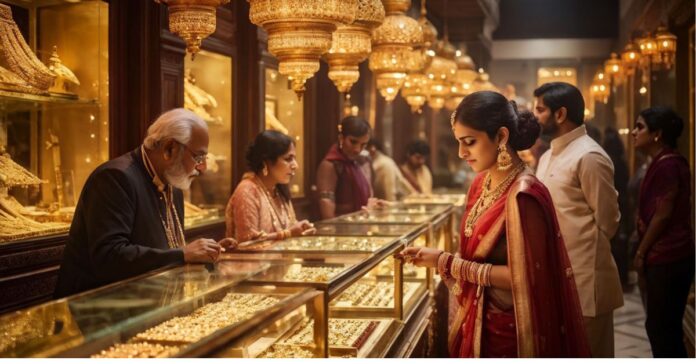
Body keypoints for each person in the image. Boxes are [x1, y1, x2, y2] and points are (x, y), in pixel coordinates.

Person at [400, 91, 590, 358]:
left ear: (501, 137)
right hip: (477, 320)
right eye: (458, 142)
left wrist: (446, 262)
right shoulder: (481, 183)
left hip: (507, 331)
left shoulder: (524, 194)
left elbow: (523, 278)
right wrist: (439, 259)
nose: (461, 152)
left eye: (469, 142)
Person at [55, 108, 237, 298]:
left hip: (146, 303)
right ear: (169, 149)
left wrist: (204, 252)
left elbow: (160, 247)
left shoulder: (172, 185)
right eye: (198, 157)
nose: (203, 168)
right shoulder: (115, 178)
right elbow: (109, 257)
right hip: (96, 312)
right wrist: (182, 254)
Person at [533, 82, 623, 357]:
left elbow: (608, 221)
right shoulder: (547, 156)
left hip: (586, 279)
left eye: (540, 110)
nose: (535, 116)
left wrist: (583, 252)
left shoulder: (589, 155)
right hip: (557, 274)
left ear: (560, 115)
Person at [631, 107, 694, 358]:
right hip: (667, 255)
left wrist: (641, 252)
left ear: (657, 134)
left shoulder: (667, 164)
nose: (634, 132)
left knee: (662, 329)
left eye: (640, 127)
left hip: (669, 255)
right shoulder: (660, 161)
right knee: (660, 327)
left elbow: (663, 214)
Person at [225, 130, 314, 242]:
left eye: (294, 159)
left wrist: (302, 228)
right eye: (288, 159)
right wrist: (288, 233)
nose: (295, 165)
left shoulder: (279, 190)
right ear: (265, 162)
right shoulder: (247, 191)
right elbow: (247, 241)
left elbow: (291, 226)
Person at [316, 116, 375, 219]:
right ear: (341, 138)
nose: (357, 149)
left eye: (363, 145)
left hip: (358, 227)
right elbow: (328, 216)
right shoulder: (330, 165)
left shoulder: (358, 162)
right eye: (353, 142)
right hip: (341, 230)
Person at [602, 127, 630, 286]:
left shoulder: (609, 162)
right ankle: (622, 276)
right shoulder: (621, 162)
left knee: (616, 241)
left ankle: (620, 277)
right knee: (620, 241)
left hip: (616, 202)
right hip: (621, 203)